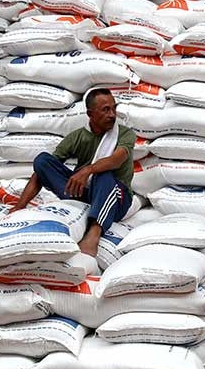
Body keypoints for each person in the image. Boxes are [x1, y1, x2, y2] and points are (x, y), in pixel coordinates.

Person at [10, 87, 135, 256]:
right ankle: (87, 203)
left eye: (114, 108)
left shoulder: (125, 134)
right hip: (86, 193)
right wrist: (20, 206)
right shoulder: (77, 137)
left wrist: (87, 171)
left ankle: (94, 233)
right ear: (90, 114)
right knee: (42, 161)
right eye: (105, 110)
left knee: (103, 173)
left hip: (116, 197)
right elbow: (43, 171)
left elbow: (116, 160)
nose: (112, 114)